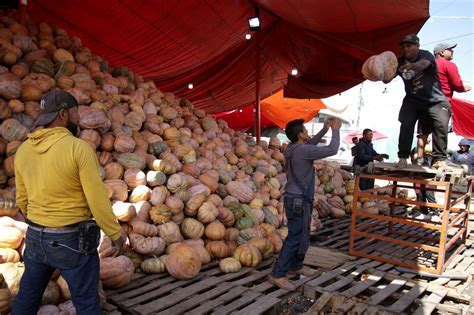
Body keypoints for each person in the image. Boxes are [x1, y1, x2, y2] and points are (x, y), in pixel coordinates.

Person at [13, 90, 125, 314]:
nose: (79, 119)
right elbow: (97, 199)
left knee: (27, 297)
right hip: (71, 240)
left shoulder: (23, 150)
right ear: (63, 114)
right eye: (76, 113)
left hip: (35, 237)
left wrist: (39, 222)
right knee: (86, 301)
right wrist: (114, 232)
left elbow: (22, 200)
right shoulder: (78, 148)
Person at [268, 117, 341, 291]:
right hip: (298, 200)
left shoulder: (293, 148)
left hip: (296, 199)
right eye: (306, 131)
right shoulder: (301, 150)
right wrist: (335, 130)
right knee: (295, 236)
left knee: (303, 234)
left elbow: (311, 145)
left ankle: (296, 266)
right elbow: (332, 149)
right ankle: (277, 274)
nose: (308, 133)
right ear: (300, 135)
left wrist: (324, 129)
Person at [384, 34, 451, 169]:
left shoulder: (425, 55)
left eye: (409, 46)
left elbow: (423, 65)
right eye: (403, 47)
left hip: (434, 100)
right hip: (413, 100)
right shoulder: (400, 61)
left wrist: (411, 66)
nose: (405, 49)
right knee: (406, 124)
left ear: (417, 46)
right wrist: (381, 71)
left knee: (441, 124)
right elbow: (386, 79)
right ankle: (403, 158)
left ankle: (439, 159)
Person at [416, 42, 471, 163]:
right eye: (450, 50)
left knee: (423, 131)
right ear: (442, 52)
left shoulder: (426, 64)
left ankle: (419, 157)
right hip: (441, 102)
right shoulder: (449, 65)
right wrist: (464, 88)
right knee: (440, 130)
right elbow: (457, 85)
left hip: (424, 101)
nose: (452, 52)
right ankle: (439, 160)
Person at [410, 148, 439, 220]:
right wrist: (419, 155)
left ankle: (436, 213)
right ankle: (424, 212)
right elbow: (413, 158)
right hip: (417, 177)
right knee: (420, 195)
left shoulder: (431, 150)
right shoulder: (416, 149)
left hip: (428, 178)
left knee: (429, 195)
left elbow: (435, 163)